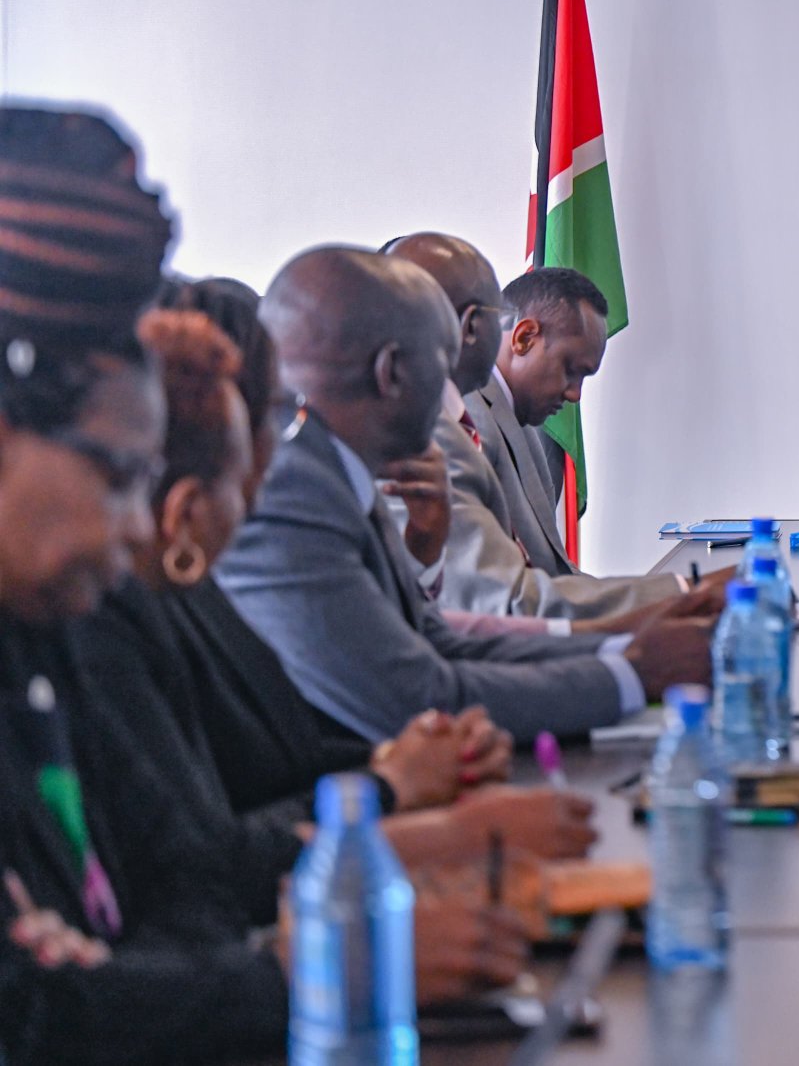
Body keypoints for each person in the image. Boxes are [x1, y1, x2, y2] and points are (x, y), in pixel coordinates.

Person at [0, 104, 526, 1065]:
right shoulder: (80, 619)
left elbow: (177, 883)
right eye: (118, 474)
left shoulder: (43, 634)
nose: (138, 521)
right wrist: (327, 967)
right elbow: (32, 1012)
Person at [216, 246, 712, 742]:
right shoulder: (290, 493)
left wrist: (621, 652)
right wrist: (629, 675)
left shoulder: (337, 465)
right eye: (443, 361)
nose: (457, 392)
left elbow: (435, 638)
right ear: (392, 371)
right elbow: (413, 697)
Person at [385, 234, 703, 621]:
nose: (574, 395)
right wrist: (683, 593)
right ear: (522, 337)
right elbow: (505, 600)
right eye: (571, 370)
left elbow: (554, 573)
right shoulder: (458, 425)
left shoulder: (520, 421)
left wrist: (672, 599)